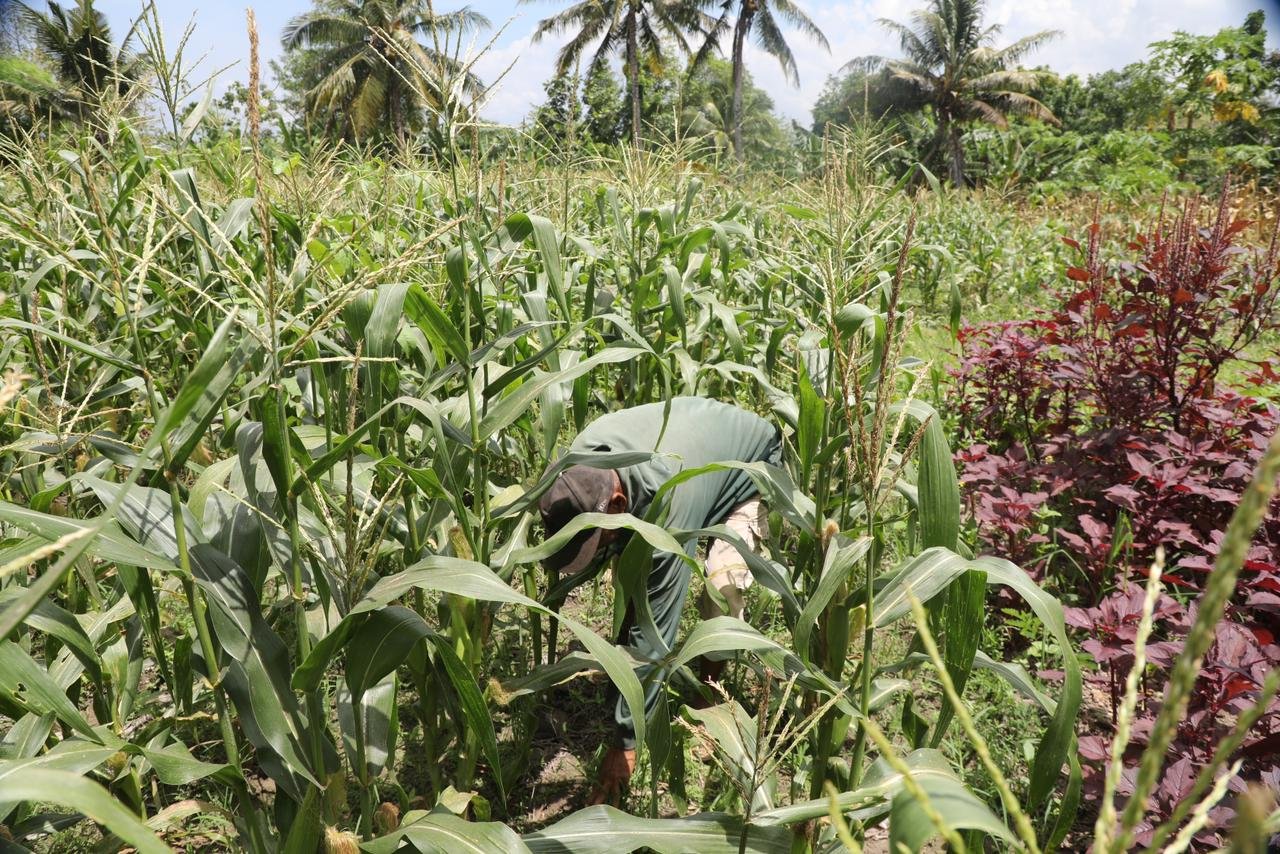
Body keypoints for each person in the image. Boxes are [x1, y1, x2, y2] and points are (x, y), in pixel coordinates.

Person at [536, 397, 783, 806]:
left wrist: (625, 745)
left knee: (721, 586)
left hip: (752, 465)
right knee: (635, 575)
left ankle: (710, 694)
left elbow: (655, 632)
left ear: (618, 506)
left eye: (595, 537)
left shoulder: (666, 505)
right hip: (697, 455)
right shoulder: (579, 462)